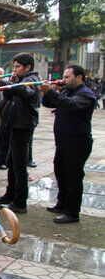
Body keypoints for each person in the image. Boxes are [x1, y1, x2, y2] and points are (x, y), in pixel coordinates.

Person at [40, 64, 96, 223]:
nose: (63, 80)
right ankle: (62, 203)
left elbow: (70, 104)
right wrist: (50, 92)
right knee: (61, 174)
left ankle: (72, 212)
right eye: (63, 77)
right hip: (63, 142)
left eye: (67, 77)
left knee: (73, 178)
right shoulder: (67, 92)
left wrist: (51, 92)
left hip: (77, 143)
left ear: (79, 78)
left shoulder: (85, 94)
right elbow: (49, 104)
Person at [0, 53, 41, 214]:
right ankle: (10, 194)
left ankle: (20, 202)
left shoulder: (31, 79)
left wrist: (3, 82)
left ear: (27, 67)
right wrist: (9, 82)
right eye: (14, 66)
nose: (15, 70)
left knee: (19, 165)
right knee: (11, 163)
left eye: (18, 67)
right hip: (14, 124)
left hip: (23, 126)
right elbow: (9, 94)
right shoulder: (20, 79)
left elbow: (24, 91)